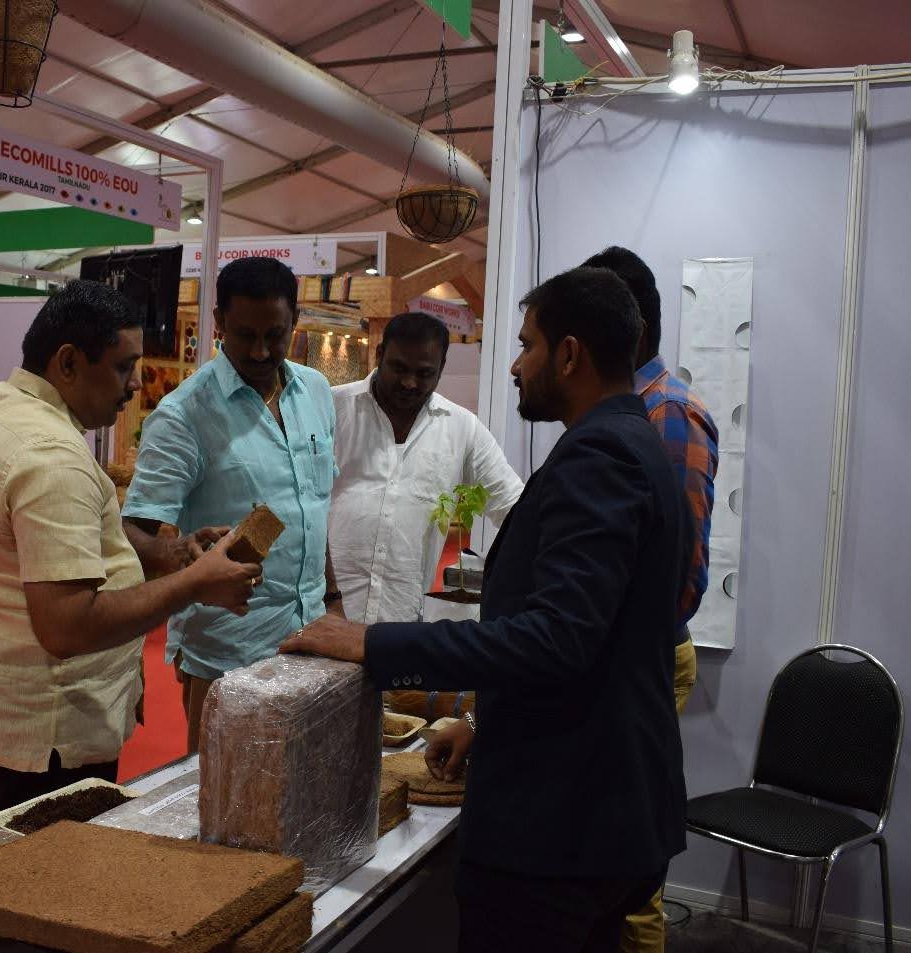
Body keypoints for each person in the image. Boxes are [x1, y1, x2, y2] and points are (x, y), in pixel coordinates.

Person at [281, 267, 689, 953]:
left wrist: (374, 644)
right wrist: (478, 718)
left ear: (568, 354)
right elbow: (592, 643)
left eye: (526, 344)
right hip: (597, 808)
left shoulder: (602, 457)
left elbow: (556, 638)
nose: (512, 363)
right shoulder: (627, 442)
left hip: (565, 823)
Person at [0, 281, 261, 815]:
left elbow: (35, 558)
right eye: (122, 366)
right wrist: (193, 584)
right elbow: (67, 624)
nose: (136, 383)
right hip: (48, 735)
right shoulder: (52, 457)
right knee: (52, 881)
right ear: (67, 363)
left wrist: (162, 557)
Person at [122, 256, 339, 754]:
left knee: (308, 796)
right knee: (226, 811)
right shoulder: (184, 415)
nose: (262, 351)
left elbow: (313, 502)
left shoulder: (317, 393)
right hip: (228, 654)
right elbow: (132, 531)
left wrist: (331, 597)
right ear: (217, 321)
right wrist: (180, 558)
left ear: (295, 322)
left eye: (275, 334)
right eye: (244, 335)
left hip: (311, 639)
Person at [581, 246, 719, 953]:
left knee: (628, 871)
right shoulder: (627, 410)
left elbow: (680, 576)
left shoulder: (666, 415)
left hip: (642, 660)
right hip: (617, 659)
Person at [330, 311, 522, 625]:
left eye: (424, 373)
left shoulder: (462, 428)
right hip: (325, 617)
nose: (409, 382)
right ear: (379, 354)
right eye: (399, 368)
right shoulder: (332, 409)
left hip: (402, 630)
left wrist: (503, 586)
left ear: (442, 368)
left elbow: (515, 510)